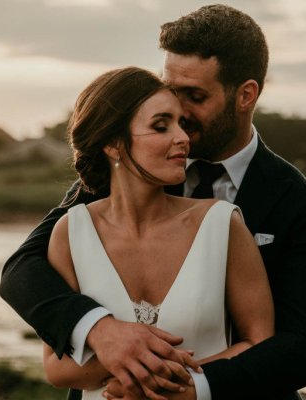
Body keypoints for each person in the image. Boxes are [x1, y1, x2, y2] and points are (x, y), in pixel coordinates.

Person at [0, 4, 306, 400]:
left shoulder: (299, 202)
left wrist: (184, 385)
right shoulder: (125, 172)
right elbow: (22, 269)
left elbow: (303, 349)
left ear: (245, 95)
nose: (179, 114)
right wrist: (100, 330)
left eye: (194, 97)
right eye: (169, 92)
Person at [40, 66, 274, 400]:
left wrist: (170, 384)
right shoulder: (71, 232)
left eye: (181, 124)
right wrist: (122, 361)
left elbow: (260, 344)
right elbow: (55, 366)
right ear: (113, 143)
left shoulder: (222, 225)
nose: (183, 138)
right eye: (161, 125)